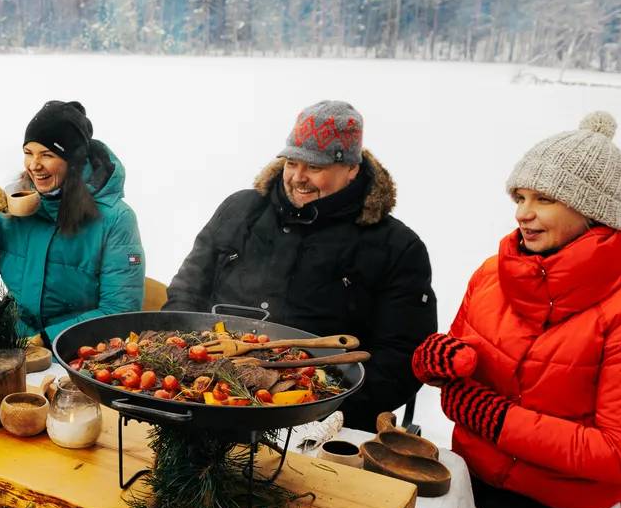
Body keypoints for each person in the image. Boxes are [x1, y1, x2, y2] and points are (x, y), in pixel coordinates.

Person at [413, 111, 621, 508]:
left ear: (591, 211)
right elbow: (464, 369)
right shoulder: (492, 274)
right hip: (482, 480)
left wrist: (498, 421)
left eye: (544, 199)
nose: (522, 212)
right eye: (519, 196)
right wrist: (436, 361)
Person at [164, 100, 436, 431]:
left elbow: (400, 359)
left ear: (352, 168)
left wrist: (322, 410)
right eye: (291, 163)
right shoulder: (240, 209)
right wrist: (178, 363)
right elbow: (187, 290)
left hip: (319, 415)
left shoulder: (396, 246)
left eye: (315, 168)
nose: (298, 178)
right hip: (204, 392)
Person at [0, 100, 144, 344]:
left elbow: (119, 311)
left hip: (78, 354)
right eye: (28, 153)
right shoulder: (13, 203)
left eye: (47, 155)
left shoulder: (115, 220)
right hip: (12, 342)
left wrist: (46, 340)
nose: (34, 165)